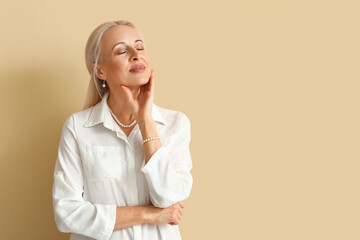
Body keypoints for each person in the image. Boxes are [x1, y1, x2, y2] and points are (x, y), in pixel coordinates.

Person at [52, 20, 193, 240]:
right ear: (100, 70)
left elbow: (169, 197)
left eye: (140, 47)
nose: (136, 55)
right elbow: (66, 213)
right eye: (121, 51)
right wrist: (149, 214)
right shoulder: (78, 128)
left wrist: (146, 122)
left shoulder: (176, 124)